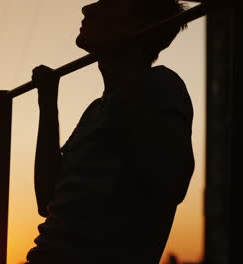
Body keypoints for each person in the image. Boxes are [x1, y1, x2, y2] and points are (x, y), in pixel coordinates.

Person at [27, 0, 194, 263]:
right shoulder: (97, 109)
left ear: (134, 27)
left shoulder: (160, 87)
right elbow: (46, 199)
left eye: (106, 4)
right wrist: (47, 105)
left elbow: (171, 184)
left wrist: (126, 79)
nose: (87, 8)